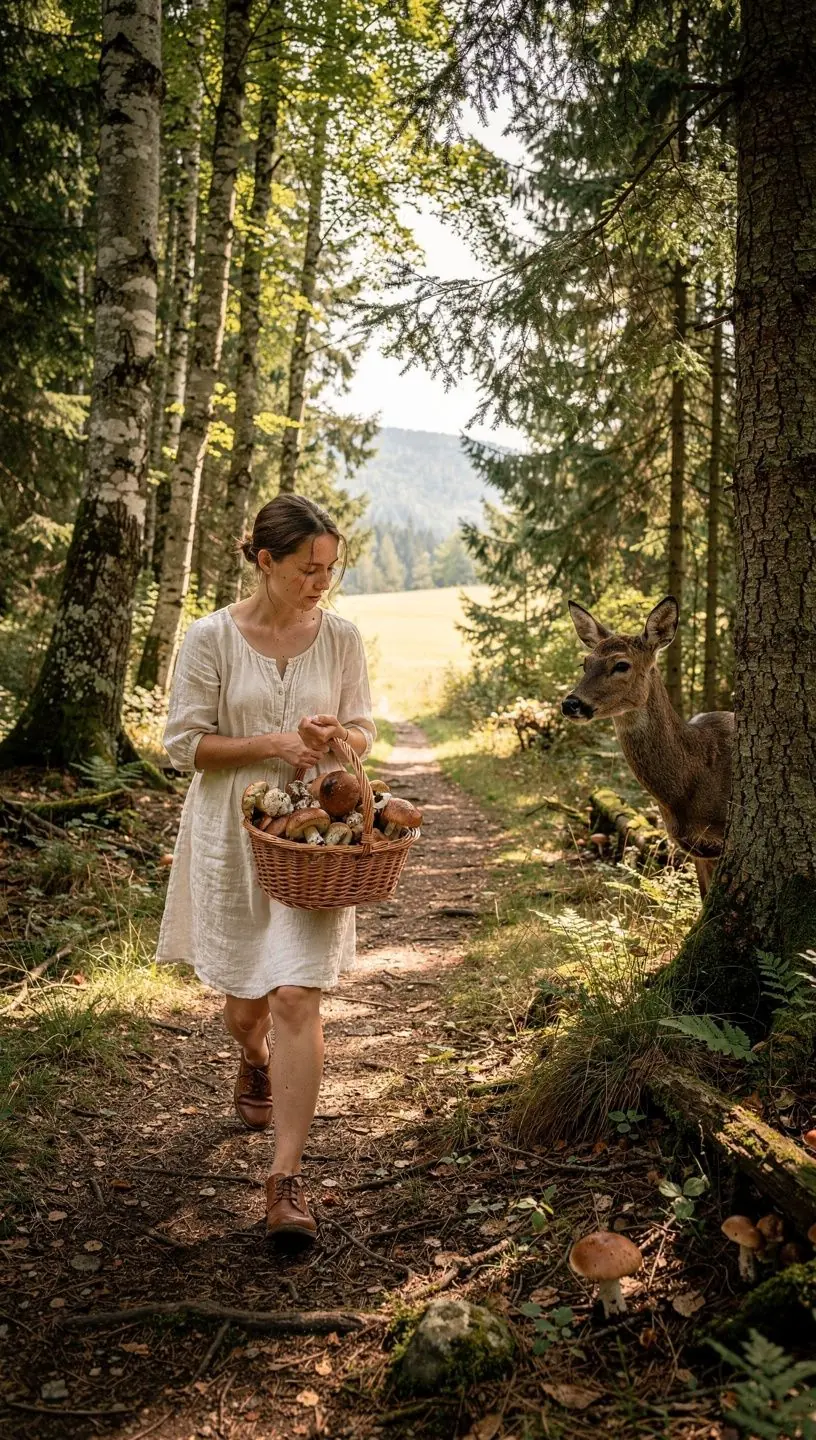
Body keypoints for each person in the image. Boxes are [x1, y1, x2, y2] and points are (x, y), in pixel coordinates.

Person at [156, 494, 375, 1243]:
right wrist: (274, 742)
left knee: (294, 997)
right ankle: (250, 1057)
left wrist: (337, 735)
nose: (321, 582)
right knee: (249, 1003)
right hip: (230, 834)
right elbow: (184, 745)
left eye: (330, 569)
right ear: (266, 562)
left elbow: (365, 732)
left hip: (316, 844)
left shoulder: (341, 638)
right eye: (308, 569)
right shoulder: (212, 638)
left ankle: (285, 1179)